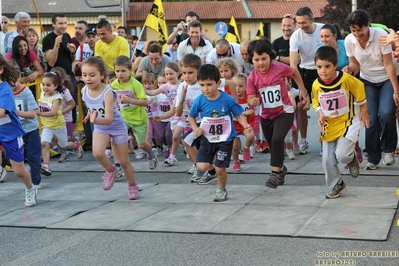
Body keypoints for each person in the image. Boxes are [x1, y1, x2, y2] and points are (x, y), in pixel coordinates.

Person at [247, 38, 308, 189]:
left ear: (271, 57)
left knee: (277, 139)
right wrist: (253, 100)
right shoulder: (252, 77)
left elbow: (294, 72)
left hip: (284, 111)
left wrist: (302, 89)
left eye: (264, 58)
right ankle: (281, 169)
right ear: (251, 60)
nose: (261, 63)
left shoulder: (279, 68)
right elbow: (249, 97)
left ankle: (274, 174)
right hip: (266, 115)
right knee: (274, 145)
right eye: (256, 59)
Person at [344, 10, 399, 170]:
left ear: (367, 25)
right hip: (367, 80)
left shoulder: (380, 35)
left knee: (387, 113)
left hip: (387, 78)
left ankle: (388, 150)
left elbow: (389, 64)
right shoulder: (349, 40)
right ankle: (373, 158)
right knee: (370, 118)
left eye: (359, 30)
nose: (356, 34)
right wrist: (349, 69)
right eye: (353, 30)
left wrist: (396, 90)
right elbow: (355, 64)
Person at [312, 46, 369, 199]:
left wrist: (364, 110)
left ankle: (351, 159)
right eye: (319, 67)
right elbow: (316, 102)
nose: (323, 71)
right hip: (329, 125)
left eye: (327, 66)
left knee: (342, 155)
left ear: (335, 65)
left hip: (348, 122)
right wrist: (320, 114)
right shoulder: (316, 85)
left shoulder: (346, 79)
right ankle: (337, 185)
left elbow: (360, 89)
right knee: (327, 159)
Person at [188, 64, 251, 201]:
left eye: (209, 85)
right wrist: (195, 128)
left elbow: (238, 114)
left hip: (225, 138)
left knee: (220, 168)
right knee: (201, 166)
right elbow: (191, 116)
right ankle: (211, 172)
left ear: (218, 83)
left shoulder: (227, 99)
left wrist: (246, 125)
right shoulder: (199, 100)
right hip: (207, 138)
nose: (205, 89)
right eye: (202, 85)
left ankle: (221, 190)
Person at [81, 57, 139, 199]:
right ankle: (111, 170)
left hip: (116, 126)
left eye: (92, 75)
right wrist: (90, 115)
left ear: (102, 75)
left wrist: (95, 119)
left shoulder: (108, 93)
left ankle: (132, 185)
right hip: (101, 126)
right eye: (84, 75)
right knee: (98, 152)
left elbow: (109, 119)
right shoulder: (84, 90)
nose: (88, 79)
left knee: (124, 161)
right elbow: (92, 106)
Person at [0, 54, 37, 206]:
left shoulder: (5, 90)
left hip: (11, 134)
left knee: (19, 171)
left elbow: (1, 112)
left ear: (1, 70)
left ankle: (30, 188)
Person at [111, 55, 158, 170]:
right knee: (114, 139)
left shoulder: (136, 84)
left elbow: (145, 102)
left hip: (139, 119)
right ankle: (117, 164)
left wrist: (130, 100)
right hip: (124, 117)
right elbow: (113, 100)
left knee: (141, 145)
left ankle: (152, 154)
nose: (120, 74)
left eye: (123, 71)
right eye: (117, 71)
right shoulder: (114, 84)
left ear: (130, 70)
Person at [290, 7, 323, 155]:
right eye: (299, 23)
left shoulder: (323, 30)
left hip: (322, 71)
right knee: (301, 106)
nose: (301, 26)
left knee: (325, 106)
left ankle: (325, 140)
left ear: (312, 20)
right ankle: (303, 141)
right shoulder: (296, 36)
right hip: (303, 72)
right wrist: (302, 89)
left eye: (304, 22)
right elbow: (293, 65)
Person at [37, 72, 84, 176]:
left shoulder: (57, 98)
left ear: (55, 86)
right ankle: (46, 166)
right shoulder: (42, 92)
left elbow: (53, 112)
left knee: (64, 145)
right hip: (47, 126)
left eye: (48, 85)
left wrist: (39, 113)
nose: (45, 87)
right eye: (43, 84)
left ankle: (75, 146)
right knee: (44, 143)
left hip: (59, 126)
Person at [10, 60, 42, 188]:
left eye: (12, 79)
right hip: (15, 131)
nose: (10, 84)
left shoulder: (26, 92)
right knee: (15, 156)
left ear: (18, 77)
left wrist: (17, 112)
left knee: (33, 156)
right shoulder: (5, 94)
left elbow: (32, 113)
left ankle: (35, 181)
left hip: (30, 129)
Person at [231, 73, 255, 172]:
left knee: (251, 137)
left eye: (241, 86)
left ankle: (246, 148)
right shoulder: (231, 98)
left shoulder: (248, 97)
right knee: (235, 146)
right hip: (234, 124)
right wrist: (245, 112)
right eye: (235, 86)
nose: (237, 88)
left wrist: (252, 107)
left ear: (246, 86)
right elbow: (233, 113)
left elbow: (253, 107)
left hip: (246, 123)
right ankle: (236, 161)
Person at [51, 67, 76, 143]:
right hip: (55, 119)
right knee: (57, 136)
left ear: (62, 80)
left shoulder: (64, 91)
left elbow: (72, 104)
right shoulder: (49, 92)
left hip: (66, 119)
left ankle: (75, 140)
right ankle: (63, 150)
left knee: (67, 137)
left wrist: (62, 112)